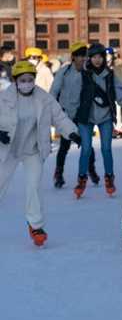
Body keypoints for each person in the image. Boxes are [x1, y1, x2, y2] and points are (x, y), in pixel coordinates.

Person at [0, 61, 80, 246]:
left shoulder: (44, 98)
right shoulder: (4, 98)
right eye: (23, 80)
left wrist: (72, 132)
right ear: (15, 81)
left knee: (34, 187)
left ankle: (36, 225)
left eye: (30, 80)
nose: (27, 83)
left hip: (33, 149)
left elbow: (59, 117)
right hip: (9, 150)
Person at [74, 43, 122, 198]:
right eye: (94, 57)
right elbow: (74, 96)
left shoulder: (111, 75)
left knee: (106, 149)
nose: (97, 60)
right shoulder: (82, 75)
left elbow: (121, 96)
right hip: (86, 117)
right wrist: (69, 113)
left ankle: (109, 178)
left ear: (104, 58)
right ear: (89, 58)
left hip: (105, 117)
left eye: (100, 57)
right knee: (85, 149)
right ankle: (81, 178)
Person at [50, 41, 98, 188]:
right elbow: (53, 92)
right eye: (80, 56)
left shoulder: (88, 74)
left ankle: (91, 170)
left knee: (87, 145)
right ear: (73, 57)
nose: (83, 59)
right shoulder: (63, 72)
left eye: (85, 56)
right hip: (66, 116)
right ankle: (58, 174)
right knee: (64, 147)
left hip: (81, 116)